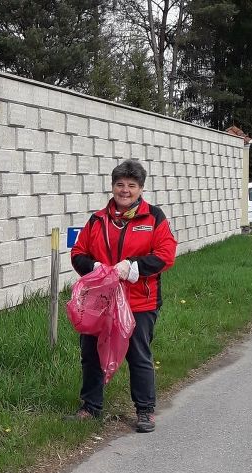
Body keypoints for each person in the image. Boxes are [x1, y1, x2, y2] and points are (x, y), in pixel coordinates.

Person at [69, 159, 177, 432]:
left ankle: (145, 411)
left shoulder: (154, 218)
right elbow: (78, 253)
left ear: (140, 188)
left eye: (131, 185)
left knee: (138, 354)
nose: (125, 190)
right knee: (91, 354)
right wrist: (93, 267)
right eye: (120, 185)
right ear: (113, 187)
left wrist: (133, 267)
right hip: (100, 304)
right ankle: (90, 408)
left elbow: (166, 255)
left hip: (140, 301)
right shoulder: (97, 220)